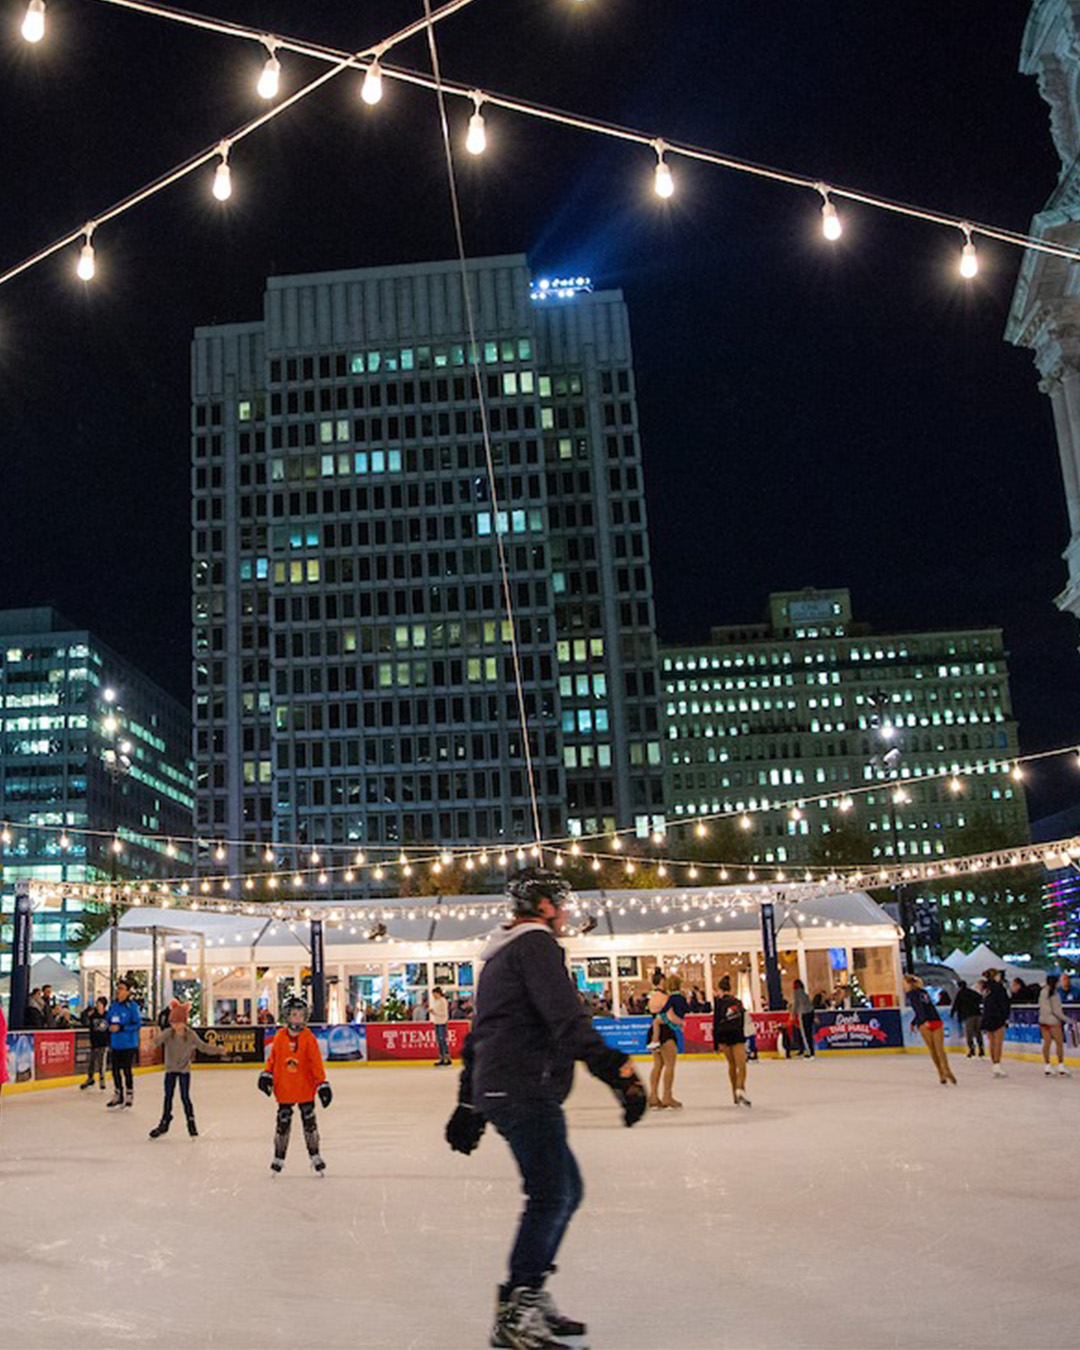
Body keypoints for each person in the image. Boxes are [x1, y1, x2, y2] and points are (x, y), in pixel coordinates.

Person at [444, 868, 645, 1350]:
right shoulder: (536, 947)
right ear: (545, 906)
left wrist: (469, 1103)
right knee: (553, 1194)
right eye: (562, 902)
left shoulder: (499, 956)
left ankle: (526, 1296)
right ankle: (518, 1314)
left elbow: (479, 1036)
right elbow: (566, 1019)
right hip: (525, 1088)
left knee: (564, 1191)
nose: (568, 911)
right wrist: (616, 1071)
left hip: (505, 1088)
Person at [258, 997, 331, 1175]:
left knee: (309, 1121)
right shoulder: (280, 1037)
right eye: (293, 1015)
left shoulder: (309, 1038)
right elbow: (273, 1059)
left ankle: (315, 1155)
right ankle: (279, 1156)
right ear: (287, 1017)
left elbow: (316, 1064)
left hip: (305, 1086)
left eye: (300, 1015)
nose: (297, 1018)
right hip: (285, 1086)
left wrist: (322, 1083)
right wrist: (267, 1074)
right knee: (283, 1121)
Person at [149, 999, 224, 1137]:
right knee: (168, 1097)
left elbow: (203, 1047)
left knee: (185, 1097)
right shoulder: (168, 1033)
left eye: (178, 1022)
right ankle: (164, 1122)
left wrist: (218, 1050)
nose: (175, 1026)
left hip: (184, 1071)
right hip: (171, 1070)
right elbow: (157, 1041)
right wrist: (152, 1043)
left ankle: (191, 1122)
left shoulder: (190, 1035)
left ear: (184, 1022)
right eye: (173, 1022)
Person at [904, 974, 956, 1085]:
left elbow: (919, 1009)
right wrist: (915, 1021)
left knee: (933, 1050)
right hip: (935, 1019)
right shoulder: (924, 992)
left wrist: (922, 1021)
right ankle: (946, 1069)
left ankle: (941, 1073)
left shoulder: (911, 995)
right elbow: (928, 1007)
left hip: (925, 1023)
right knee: (940, 1049)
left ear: (908, 984)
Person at [712, 975, 751, 1106]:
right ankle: (740, 1088)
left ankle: (735, 1094)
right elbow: (743, 1019)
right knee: (742, 1066)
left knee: (731, 1065)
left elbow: (716, 1023)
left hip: (724, 1036)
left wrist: (716, 1043)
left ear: (720, 989)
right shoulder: (737, 1002)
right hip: (737, 1035)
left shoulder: (718, 1003)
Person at [653, 974, 688, 1108]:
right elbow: (672, 1015)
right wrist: (681, 1023)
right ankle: (667, 1096)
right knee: (669, 1065)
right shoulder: (667, 997)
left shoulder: (655, 997)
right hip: (667, 1031)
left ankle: (654, 1097)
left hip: (657, 1030)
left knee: (658, 1065)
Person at [105, 980, 142, 1109]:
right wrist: (107, 1026)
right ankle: (118, 1093)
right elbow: (108, 1020)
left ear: (127, 991)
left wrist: (121, 1028)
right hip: (116, 1044)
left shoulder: (132, 1006)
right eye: (118, 988)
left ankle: (129, 1093)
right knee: (115, 1071)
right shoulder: (113, 1006)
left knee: (126, 1070)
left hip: (129, 1044)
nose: (118, 991)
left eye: (121, 988)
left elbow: (137, 1024)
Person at [1038, 973, 1072, 1077]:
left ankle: (1047, 1065)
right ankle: (1061, 1065)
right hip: (1053, 1021)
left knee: (1046, 1043)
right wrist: (1067, 1019)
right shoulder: (1055, 994)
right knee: (1059, 1043)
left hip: (1043, 1021)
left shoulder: (1042, 992)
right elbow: (1057, 1010)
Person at [981, 968, 1011, 1079]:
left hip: (987, 1017)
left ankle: (994, 1063)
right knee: (998, 1042)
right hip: (998, 1017)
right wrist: (1005, 1016)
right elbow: (1004, 1003)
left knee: (991, 1041)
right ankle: (997, 1064)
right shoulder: (999, 988)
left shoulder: (986, 988)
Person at [80, 996, 111, 1090]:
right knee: (91, 1062)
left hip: (104, 1043)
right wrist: (86, 1013)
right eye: (97, 1004)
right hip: (94, 1042)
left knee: (102, 1062)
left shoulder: (108, 1015)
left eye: (99, 1004)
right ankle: (90, 1078)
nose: (97, 1006)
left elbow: (110, 1029)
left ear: (103, 1005)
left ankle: (102, 1079)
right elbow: (85, 1022)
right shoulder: (93, 1015)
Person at [951, 979, 984, 1058]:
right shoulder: (972, 992)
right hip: (977, 1014)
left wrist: (952, 1014)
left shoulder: (960, 993)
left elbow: (956, 1005)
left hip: (968, 1016)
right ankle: (981, 1048)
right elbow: (981, 998)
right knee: (978, 1033)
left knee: (969, 1034)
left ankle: (972, 1049)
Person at [791, 978, 815, 1058]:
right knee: (809, 1033)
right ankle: (811, 1050)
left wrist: (793, 1015)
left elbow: (796, 1004)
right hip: (810, 1013)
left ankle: (808, 1051)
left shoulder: (796, 993)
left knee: (805, 1034)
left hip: (804, 1013)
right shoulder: (804, 993)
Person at [430, 984, 451, 1066]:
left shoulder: (443, 1001)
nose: (433, 996)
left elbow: (443, 1013)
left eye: (434, 994)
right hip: (437, 1022)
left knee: (442, 1040)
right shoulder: (436, 1001)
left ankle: (447, 1057)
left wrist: (434, 1012)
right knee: (439, 1041)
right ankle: (442, 1057)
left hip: (442, 1022)